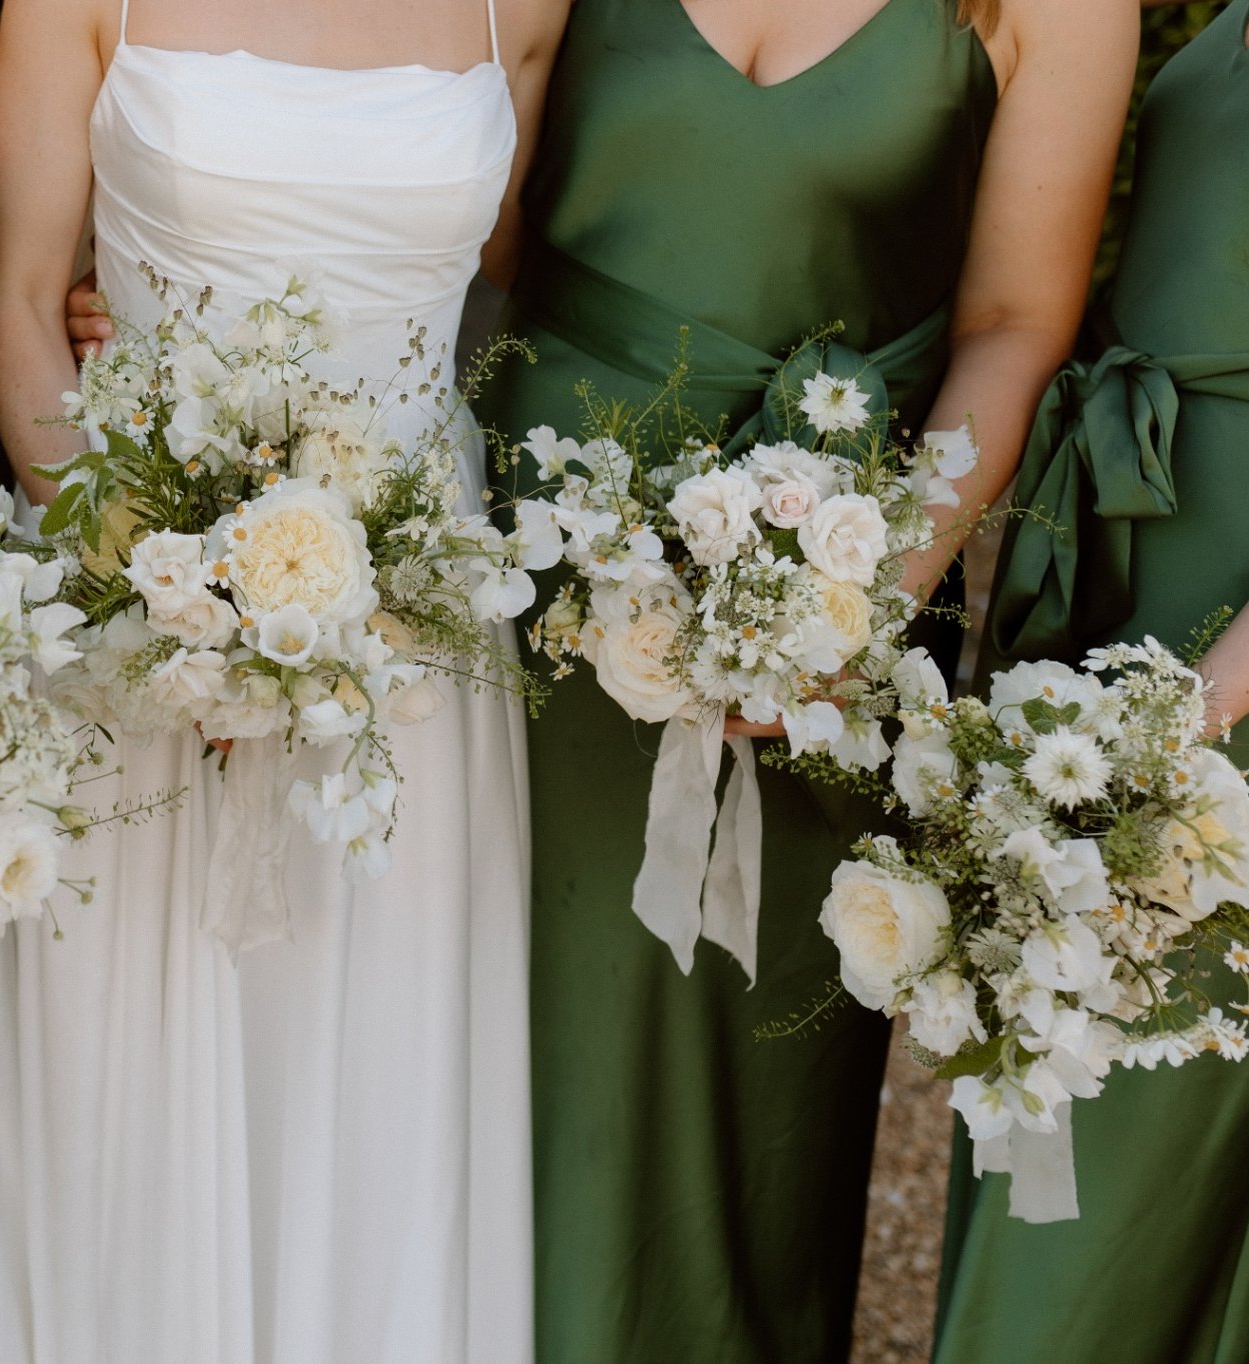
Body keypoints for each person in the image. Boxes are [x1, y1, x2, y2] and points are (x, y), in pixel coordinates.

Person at [0, 0, 563, 1359]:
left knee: (376, 1068)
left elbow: (492, 263)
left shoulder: (522, 6)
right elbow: (24, 300)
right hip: (137, 599)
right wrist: (149, 578)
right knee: (125, 1068)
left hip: (414, 638)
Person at [479, 0, 1135, 1359]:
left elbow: (1016, 321)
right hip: (521, 563)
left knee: (737, 1099)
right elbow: (454, 216)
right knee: (487, 1041)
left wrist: (855, 596)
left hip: (829, 564)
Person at [935, 3, 1249, 1359]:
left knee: (1127, 1154)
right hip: (1131, 617)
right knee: (1044, 1107)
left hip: (1218, 686)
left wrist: (1206, 705)